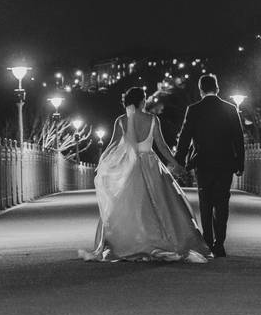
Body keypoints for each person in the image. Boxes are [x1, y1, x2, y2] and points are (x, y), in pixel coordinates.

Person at [78, 87, 211, 263]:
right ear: (143, 101)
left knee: (130, 205)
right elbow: (162, 146)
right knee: (162, 204)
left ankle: (133, 241)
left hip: (131, 167)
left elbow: (113, 146)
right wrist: (176, 164)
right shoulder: (152, 119)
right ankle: (162, 239)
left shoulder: (121, 120)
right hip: (151, 164)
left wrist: (104, 164)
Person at [174, 73, 245, 257]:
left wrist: (179, 161)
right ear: (217, 88)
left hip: (203, 162)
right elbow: (239, 138)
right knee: (222, 203)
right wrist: (240, 163)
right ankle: (219, 244)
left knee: (205, 202)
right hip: (225, 163)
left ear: (201, 90)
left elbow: (185, 137)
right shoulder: (230, 109)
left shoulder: (194, 109)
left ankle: (207, 242)